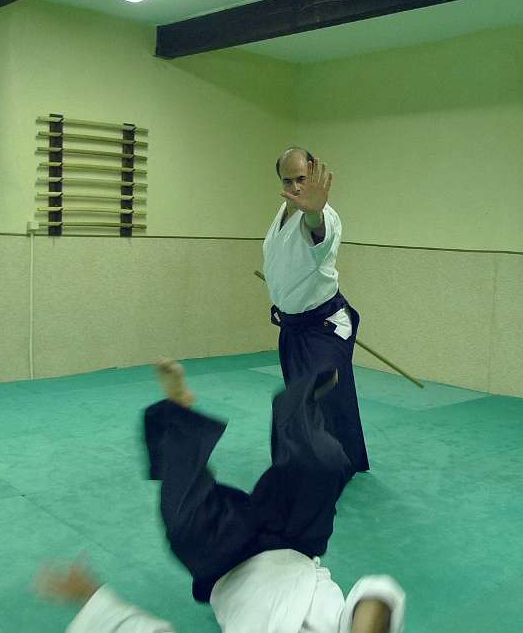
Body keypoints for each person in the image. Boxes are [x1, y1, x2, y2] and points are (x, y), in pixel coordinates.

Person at [36, 360, 405, 633]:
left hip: (226, 563)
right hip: (295, 541)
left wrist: (93, 598)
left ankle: (178, 410)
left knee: (182, 517)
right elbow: (377, 592)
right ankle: (297, 405)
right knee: (323, 466)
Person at [263, 148, 368, 474]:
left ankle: (304, 470)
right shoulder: (282, 212)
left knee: (304, 396)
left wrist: (314, 213)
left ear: (314, 175)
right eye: (288, 180)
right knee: (326, 396)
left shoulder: (323, 216)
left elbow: (317, 231)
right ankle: (342, 460)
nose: (295, 187)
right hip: (293, 328)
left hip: (325, 325)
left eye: (302, 179)